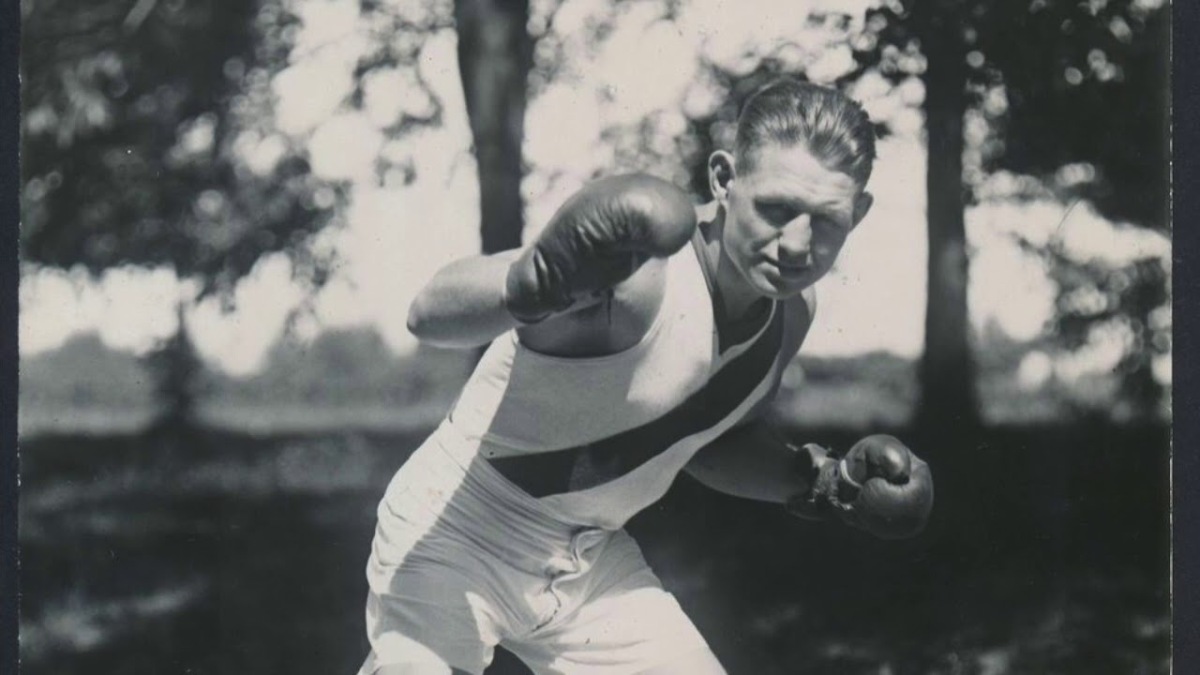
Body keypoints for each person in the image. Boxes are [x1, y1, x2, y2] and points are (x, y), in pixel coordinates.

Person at [356, 78, 934, 675]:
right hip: (457, 528)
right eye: (777, 209)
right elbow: (428, 312)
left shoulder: (790, 317)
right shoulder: (644, 276)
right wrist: (536, 280)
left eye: (827, 221)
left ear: (859, 213)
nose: (797, 244)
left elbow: (707, 440)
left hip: (591, 565)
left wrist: (827, 482)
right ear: (723, 179)